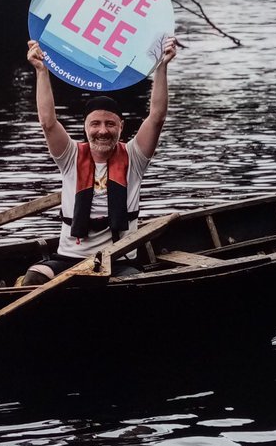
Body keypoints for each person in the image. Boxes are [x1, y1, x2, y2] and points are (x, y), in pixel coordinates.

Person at [22, 36, 177, 285]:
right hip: (70, 257)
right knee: (33, 279)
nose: (102, 131)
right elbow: (48, 122)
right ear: (85, 127)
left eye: (110, 124)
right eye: (95, 124)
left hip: (119, 259)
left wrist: (162, 66)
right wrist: (42, 71)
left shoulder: (134, 157)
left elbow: (156, 117)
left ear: (121, 127)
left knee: (132, 286)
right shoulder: (70, 156)